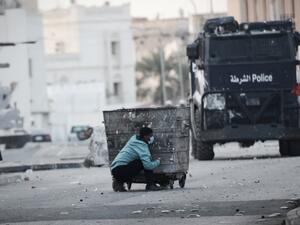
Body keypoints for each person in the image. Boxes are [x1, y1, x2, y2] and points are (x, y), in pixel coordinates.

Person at [110, 127, 161, 192]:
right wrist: (158, 161)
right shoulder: (142, 146)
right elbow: (148, 166)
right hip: (121, 170)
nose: (151, 137)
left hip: (114, 169)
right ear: (145, 136)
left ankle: (119, 181)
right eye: (150, 136)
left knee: (138, 161)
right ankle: (150, 185)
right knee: (144, 162)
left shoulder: (134, 139)